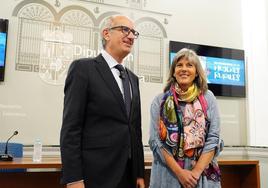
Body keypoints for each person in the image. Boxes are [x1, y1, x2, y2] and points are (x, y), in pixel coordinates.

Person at [60, 15, 145, 188]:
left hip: (128, 176)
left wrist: (139, 174)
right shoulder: (83, 69)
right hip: (95, 175)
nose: (130, 36)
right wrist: (74, 178)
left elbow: (135, 130)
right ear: (106, 34)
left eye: (133, 32)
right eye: (125, 30)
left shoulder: (132, 79)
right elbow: (71, 128)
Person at [149, 48, 223, 188]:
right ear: (173, 71)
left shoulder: (208, 98)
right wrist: (180, 173)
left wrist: (195, 172)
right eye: (179, 65)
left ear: (196, 72)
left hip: (201, 176)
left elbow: (213, 138)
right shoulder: (160, 101)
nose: (184, 69)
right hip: (168, 175)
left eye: (189, 65)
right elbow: (156, 141)